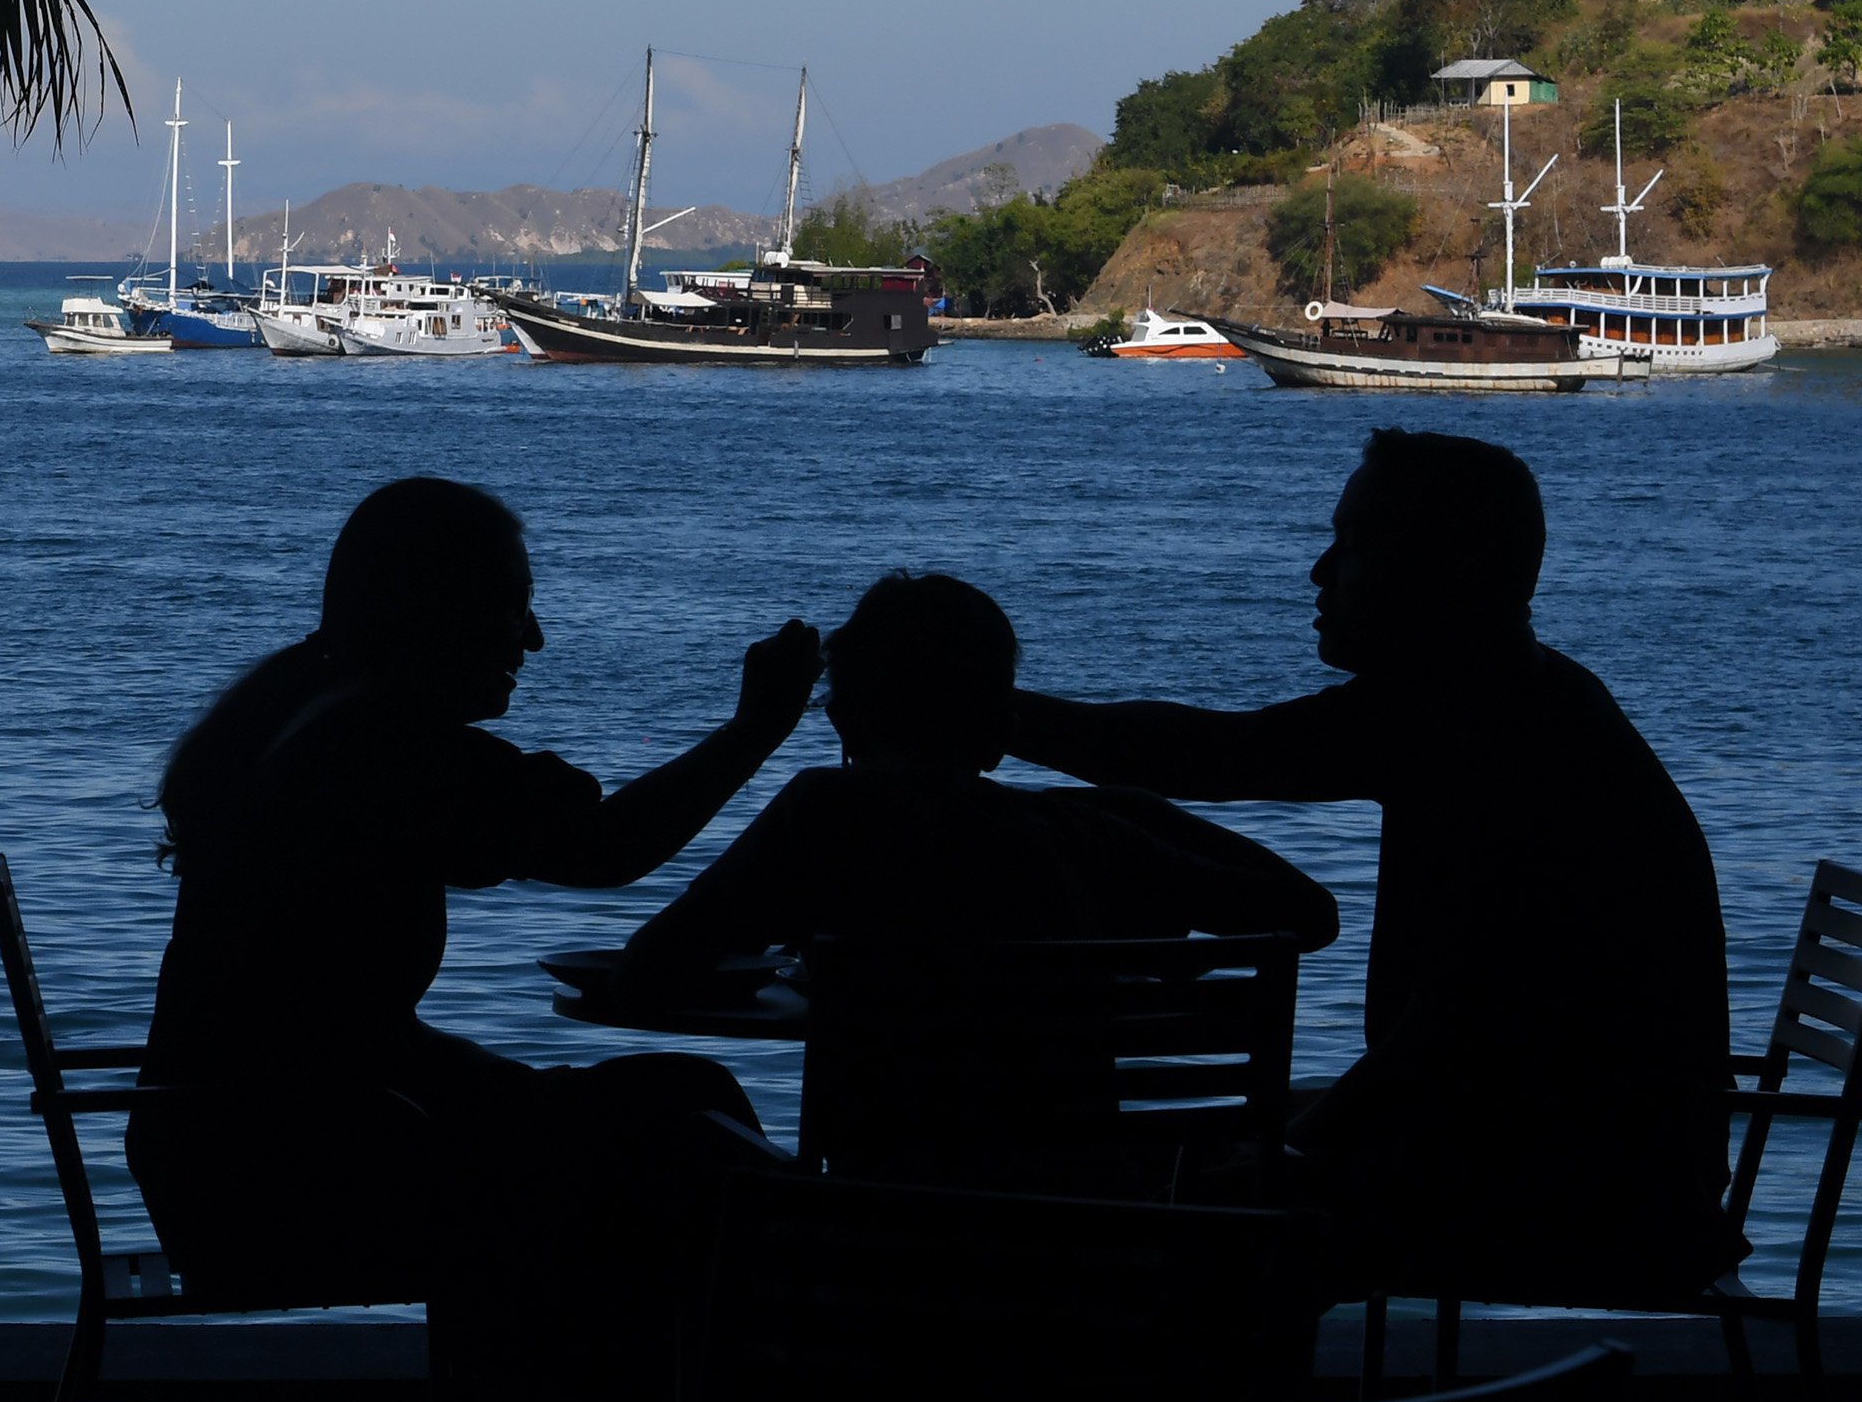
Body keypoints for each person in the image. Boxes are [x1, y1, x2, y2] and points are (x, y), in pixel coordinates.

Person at [1008, 427, 1736, 1297]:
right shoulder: (1517, 698)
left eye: (1351, 546)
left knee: (1182, 1212)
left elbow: (1451, 1031)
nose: (1320, 571)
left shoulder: (1474, 729)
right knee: (1193, 1159)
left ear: (1437, 571)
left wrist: (1287, 1149)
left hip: (1585, 1197)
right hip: (1594, 1157)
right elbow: (1210, 756)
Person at [126, 476, 820, 1308]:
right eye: (514, 604)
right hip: (294, 1172)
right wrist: (755, 729)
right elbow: (607, 848)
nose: (535, 637)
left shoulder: (310, 720)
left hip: (234, 1154)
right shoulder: (382, 754)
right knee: (691, 1140)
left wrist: (519, 1093)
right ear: (435, 609)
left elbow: (343, 1028)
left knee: (689, 1104)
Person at [626, 569, 1340, 975]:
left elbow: (649, 968)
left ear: (843, 722)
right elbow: (1308, 915)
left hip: (878, 1188)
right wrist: (1132, 809)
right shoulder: (1090, 834)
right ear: (1002, 734)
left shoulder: (822, 817)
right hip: (1081, 1187)